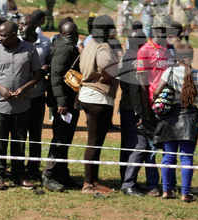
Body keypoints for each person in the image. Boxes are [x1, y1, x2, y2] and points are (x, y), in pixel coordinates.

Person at [0, 21, 42, 190]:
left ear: (14, 34)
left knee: (19, 142)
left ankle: (19, 176)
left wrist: (24, 89)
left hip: (21, 105)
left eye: (3, 35)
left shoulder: (30, 49)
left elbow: (37, 74)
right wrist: (0, 88)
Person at [153, 43, 198, 202]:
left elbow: (157, 92)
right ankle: (185, 194)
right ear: (191, 57)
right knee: (186, 158)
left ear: (176, 57)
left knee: (168, 157)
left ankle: (166, 191)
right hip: (190, 119)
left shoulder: (169, 72)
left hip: (169, 119)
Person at [77, 15, 119, 195]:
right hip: (98, 97)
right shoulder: (103, 46)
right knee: (94, 142)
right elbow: (106, 64)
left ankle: (93, 180)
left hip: (87, 95)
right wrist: (109, 74)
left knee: (94, 142)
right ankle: (88, 184)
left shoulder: (89, 44)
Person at [119, 24, 159, 196]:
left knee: (128, 146)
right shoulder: (135, 60)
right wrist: (141, 113)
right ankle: (128, 184)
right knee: (139, 146)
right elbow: (135, 90)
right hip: (134, 110)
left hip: (125, 108)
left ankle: (126, 180)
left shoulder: (127, 57)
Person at [46, 20, 80, 191]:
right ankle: (49, 174)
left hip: (67, 101)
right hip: (64, 103)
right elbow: (56, 76)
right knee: (60, 139)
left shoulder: (61, 44)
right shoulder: (66, 48)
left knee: (65, 139)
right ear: (75, 35)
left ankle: (62, 173)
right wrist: (62, 102)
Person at [20, 13, 51, 185]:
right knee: (19, 133)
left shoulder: (45, 42)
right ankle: (18, 168)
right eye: (19, 24)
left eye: (23, 25)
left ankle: (33, 168)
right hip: (19, 96)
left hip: (38, 95)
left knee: (35, 134)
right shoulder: (15, 40)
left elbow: (50, 62)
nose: (20, 28)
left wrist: (45, 67)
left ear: (33, 27)